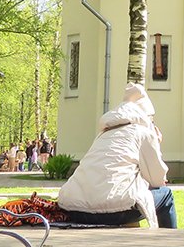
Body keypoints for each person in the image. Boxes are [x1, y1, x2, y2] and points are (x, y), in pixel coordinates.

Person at [57, 83, 177, 228]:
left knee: (131, 196)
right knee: (166, 195)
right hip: (113, 210)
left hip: (74, 207)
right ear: (146, 116)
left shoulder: (104, 134)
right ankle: (169, 242)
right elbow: (157, 179)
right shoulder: (143, 133)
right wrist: (156, 144)